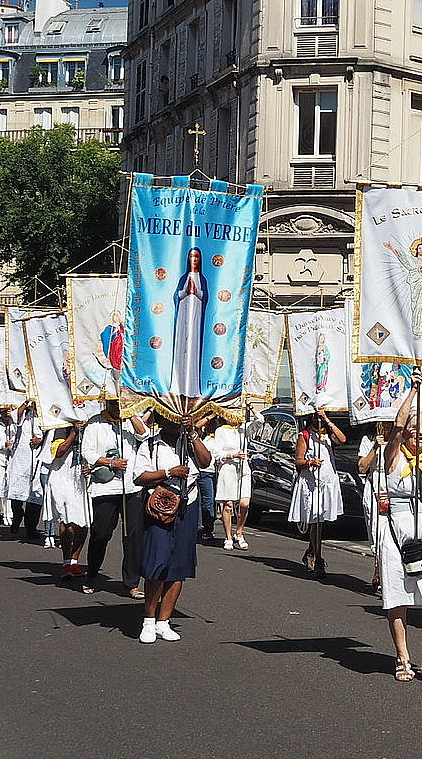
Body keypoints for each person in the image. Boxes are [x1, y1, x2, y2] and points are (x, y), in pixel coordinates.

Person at [360, 400, 422, 683]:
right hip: (394, 534)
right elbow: (399, 425)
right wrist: (414, 391)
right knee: (398, 599)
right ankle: (403, 658)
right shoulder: (393, 457)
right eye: (414, 428)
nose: (418, 432)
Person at [131, 413, 211, 644]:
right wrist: (168, 473)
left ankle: (164, 622)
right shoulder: (149, 445)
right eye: (170, 417)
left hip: (188, 503)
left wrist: (193, 433)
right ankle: (148, 620)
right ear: (160, 419)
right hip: (161, 506)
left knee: (179, 565)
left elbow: (205, 462)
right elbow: (140, 477)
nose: (175, 422)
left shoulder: (190, 441)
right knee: (157, 563)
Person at [81, 401, 145, 595]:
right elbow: (87, 452)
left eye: (120, 402)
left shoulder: (130, 421)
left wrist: (131, 412)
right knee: (101, 533)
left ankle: (132, 583)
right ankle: (91, 574)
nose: (117, 406)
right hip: (105, 488)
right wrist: (111, 462)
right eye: (114, 403)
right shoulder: (95, 423)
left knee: (133, 536)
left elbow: (144, 435)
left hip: (132, 488)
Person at [290, 411, 347, 579]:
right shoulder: (305, 436)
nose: (319, 420)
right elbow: (298, 460)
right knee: (315, 521)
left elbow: (343, 439)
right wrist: (310, 462)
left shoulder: (329, 434)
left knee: (320, 521)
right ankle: (318, 557)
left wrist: (327, 421)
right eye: (317, 417)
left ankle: (311, 551)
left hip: (327, 481)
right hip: (312, 482)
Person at [44, 423, 89, 580]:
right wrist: (74, 433)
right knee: (67, 521)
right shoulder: (60, 427)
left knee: (83, 521)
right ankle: (66, 561)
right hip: (63, 477)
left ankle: (74, 561)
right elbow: (58, 452)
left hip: (83, 477)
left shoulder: (91, 425)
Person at [206, 415, 252, 550]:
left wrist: (250, 409)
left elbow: (259, 421)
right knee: (228, 505)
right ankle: (228, 537)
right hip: (228, 468)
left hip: (243, 469)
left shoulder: (243, 429)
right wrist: (232, 455)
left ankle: (239, 532)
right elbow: (217, 453)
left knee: (245, 504)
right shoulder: (221, 431)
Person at [170, 247, 208, 397]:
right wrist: (185, 292)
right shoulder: (183, 278)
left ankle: (192, 387)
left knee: (193, 346)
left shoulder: (202, 279)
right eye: (191, 256)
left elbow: (205, 297)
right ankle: (177, 384)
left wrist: (195, 291)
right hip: (182, 316)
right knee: (181, 345)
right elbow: (176, 296)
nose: (194, 259)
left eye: (196, 257)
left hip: (195, 316)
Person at [5, 404, 45, 540]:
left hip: (40, 456)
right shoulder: (25, 414)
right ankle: (17, 515)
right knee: (16, 491)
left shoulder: (49, 412)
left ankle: (31, 528)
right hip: (21, 457)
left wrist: (41, 439)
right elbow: (15, 417)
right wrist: (27, 402)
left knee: (36, 494)